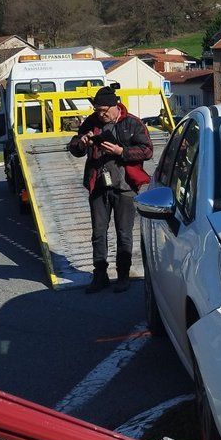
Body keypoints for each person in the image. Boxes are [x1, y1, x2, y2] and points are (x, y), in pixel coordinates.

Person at [68, 85, 154, 294]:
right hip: (98, 184)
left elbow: (147, 151)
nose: (100, 114)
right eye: (98, 111)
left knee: (124, 233)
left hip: (125, 186)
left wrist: (121, 151)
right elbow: (74, 148)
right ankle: (100, 276)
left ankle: (123, 275)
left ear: (115, 106)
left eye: (103, 111)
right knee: (98, 232)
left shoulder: (132, 123)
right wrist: (82, 142)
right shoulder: (92, 122)